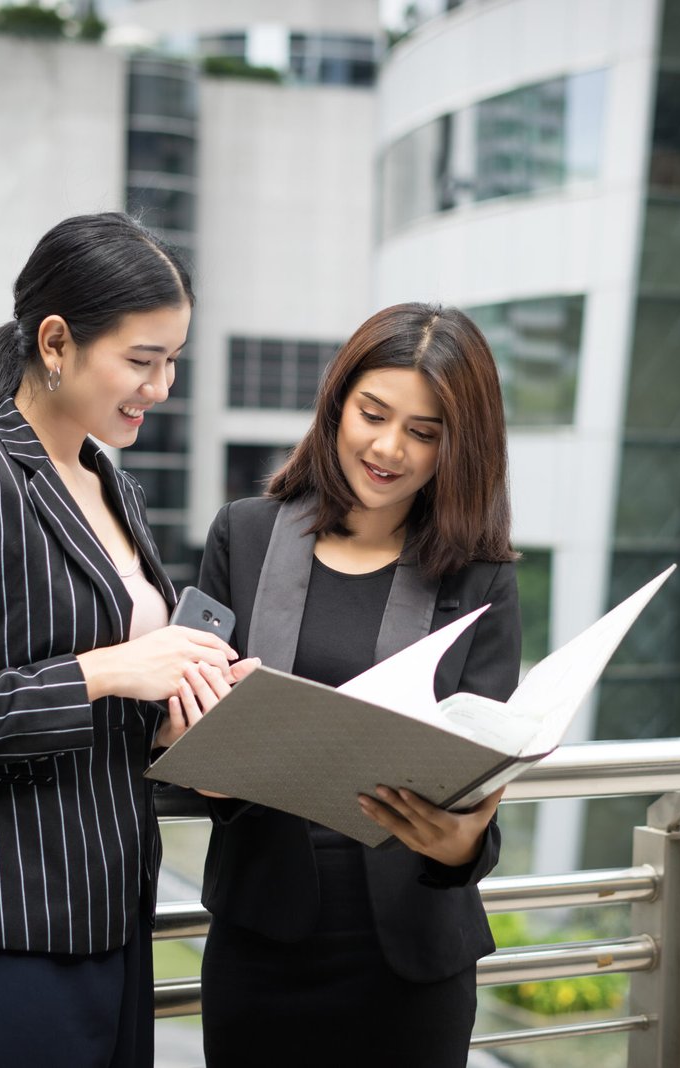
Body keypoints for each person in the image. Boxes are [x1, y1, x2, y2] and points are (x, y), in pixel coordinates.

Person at [0, 212, 252, 1068]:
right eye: (142, 360)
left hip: (112, 912)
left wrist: (185, 709)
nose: (162, 385)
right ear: (57, 341)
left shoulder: (112, 483)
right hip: (5, 927)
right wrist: (103, 672)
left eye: (172, 360)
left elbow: (117, 704)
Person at [177, 302, 522, 1068]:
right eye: (373, 413)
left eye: (424, 432)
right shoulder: (247, 534)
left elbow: (481, 767)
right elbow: (195, 722)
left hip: (412, 958)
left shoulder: (483, 577)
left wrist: (462, 843)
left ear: (456, 447)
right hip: (262, 941)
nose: (389, 448)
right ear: (338, 403)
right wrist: (201, 747)